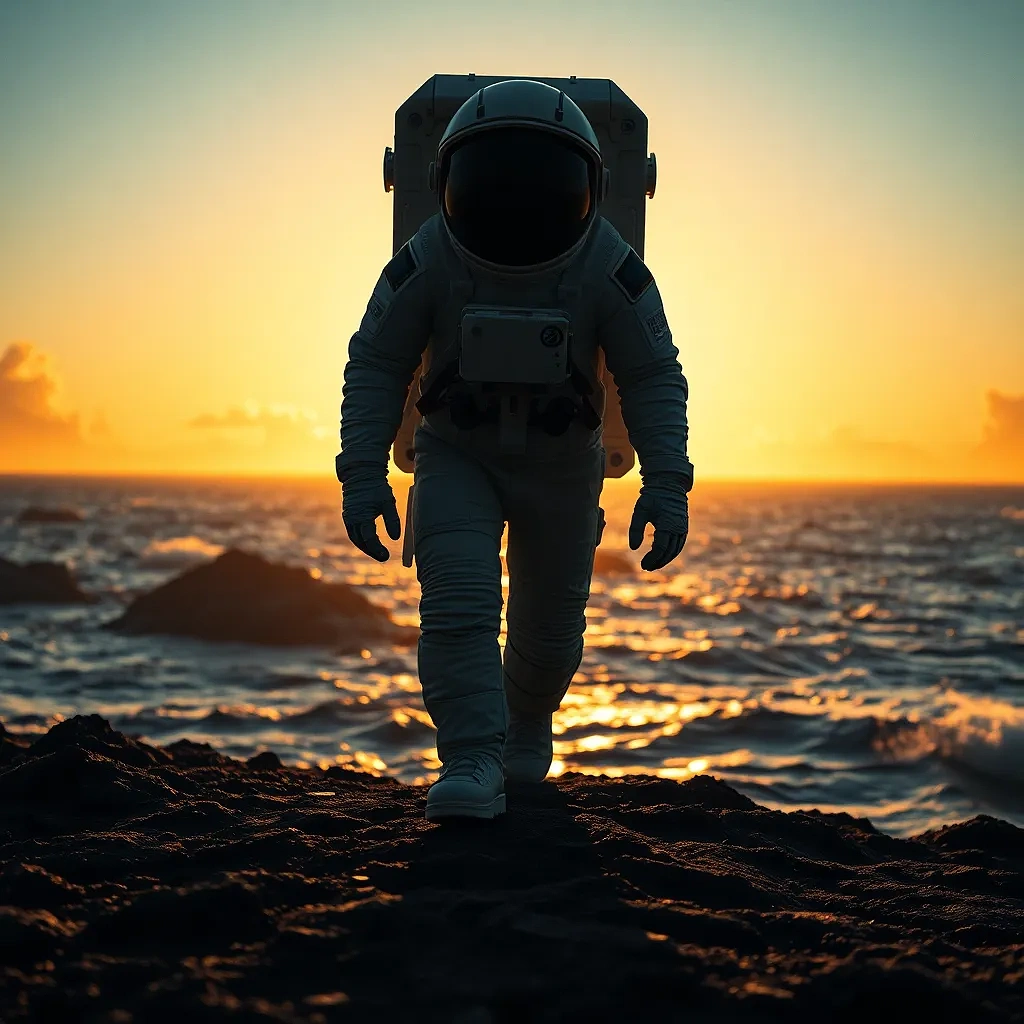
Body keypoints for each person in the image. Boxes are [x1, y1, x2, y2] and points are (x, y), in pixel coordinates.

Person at [337, 79, 692, 822]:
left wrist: (667, 482)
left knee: (550, 626)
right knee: (459, 600)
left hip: (563, 467)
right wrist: (362, 473)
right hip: (457, 456)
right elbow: (376, 362)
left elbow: (652, 373)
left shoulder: (607, 266)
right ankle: (471, 756)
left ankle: (527, 722)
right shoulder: (430, 257)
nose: (520, 202)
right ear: (449, 185)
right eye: (499, 181)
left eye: (542, 184)